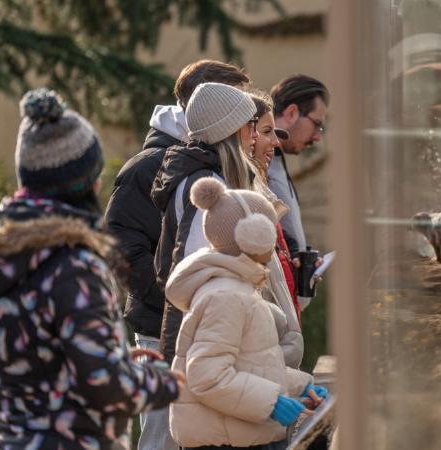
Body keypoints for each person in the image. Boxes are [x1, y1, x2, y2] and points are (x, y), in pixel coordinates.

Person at [0, 88, 182, 449]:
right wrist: (167, 380)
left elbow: (27, 362)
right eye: (94, 173)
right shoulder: (74, 264)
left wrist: (104, 350)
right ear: (80, 183)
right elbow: (107, 388)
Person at [103, 59, 251, 450]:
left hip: (192, 322)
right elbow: (119, 245)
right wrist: (170, 301)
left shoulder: (209, 161)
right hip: (159, 327)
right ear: (201, 104)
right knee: (162, 435)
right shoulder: (150, 166)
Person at [165, 177, 327, 449]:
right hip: (225, 440)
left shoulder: (237, 288)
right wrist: (272, 402)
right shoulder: (227, 296)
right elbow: (206, 376)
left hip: (236, 433)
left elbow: (252, 365)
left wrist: (302, 385)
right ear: (255, 235)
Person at [152, 82, 259, 366]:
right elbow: (200, 266)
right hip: (205, 337)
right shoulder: (208, 187)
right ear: (232, 130)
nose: (255, 134)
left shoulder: (204, 175)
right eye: (251, 124)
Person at [246, 92, 304, 368]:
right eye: (267, 131)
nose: (276, 142)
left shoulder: (260, 188)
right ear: (245, 133)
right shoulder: (240, 199)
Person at [267, 76, 330, 311]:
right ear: (292, 112)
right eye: (317, 125)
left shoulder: (276, 160)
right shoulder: (262, 163)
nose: (317, 137)